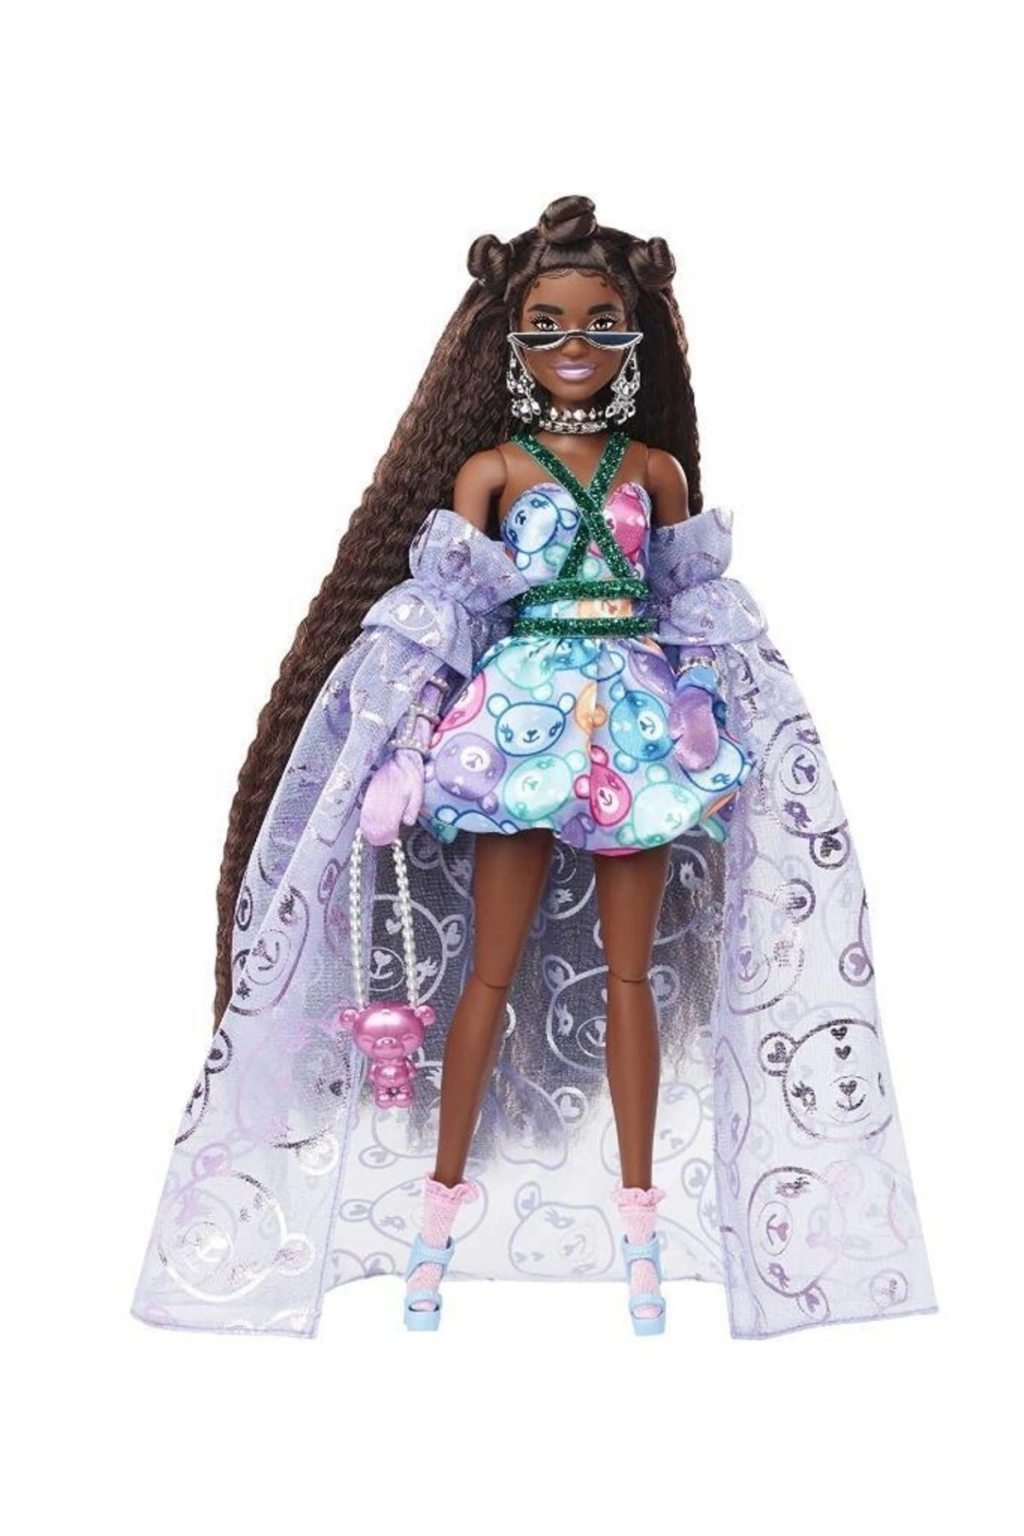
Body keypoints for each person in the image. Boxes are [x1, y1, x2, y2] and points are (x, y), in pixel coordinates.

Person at [131, 195, 937, 1341]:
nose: (575, 346)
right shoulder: (492, 470)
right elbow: (446, 616)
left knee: (629, 979)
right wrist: (405, 743)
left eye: (602, 325)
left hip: (636, 728)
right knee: (487, 976)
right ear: (511, 340)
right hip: (513, 726)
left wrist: (715, 706)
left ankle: (641, 1228)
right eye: (549, 325)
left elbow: (688, 605)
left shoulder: (653, 469)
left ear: (633, 337)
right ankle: (435, 1218)